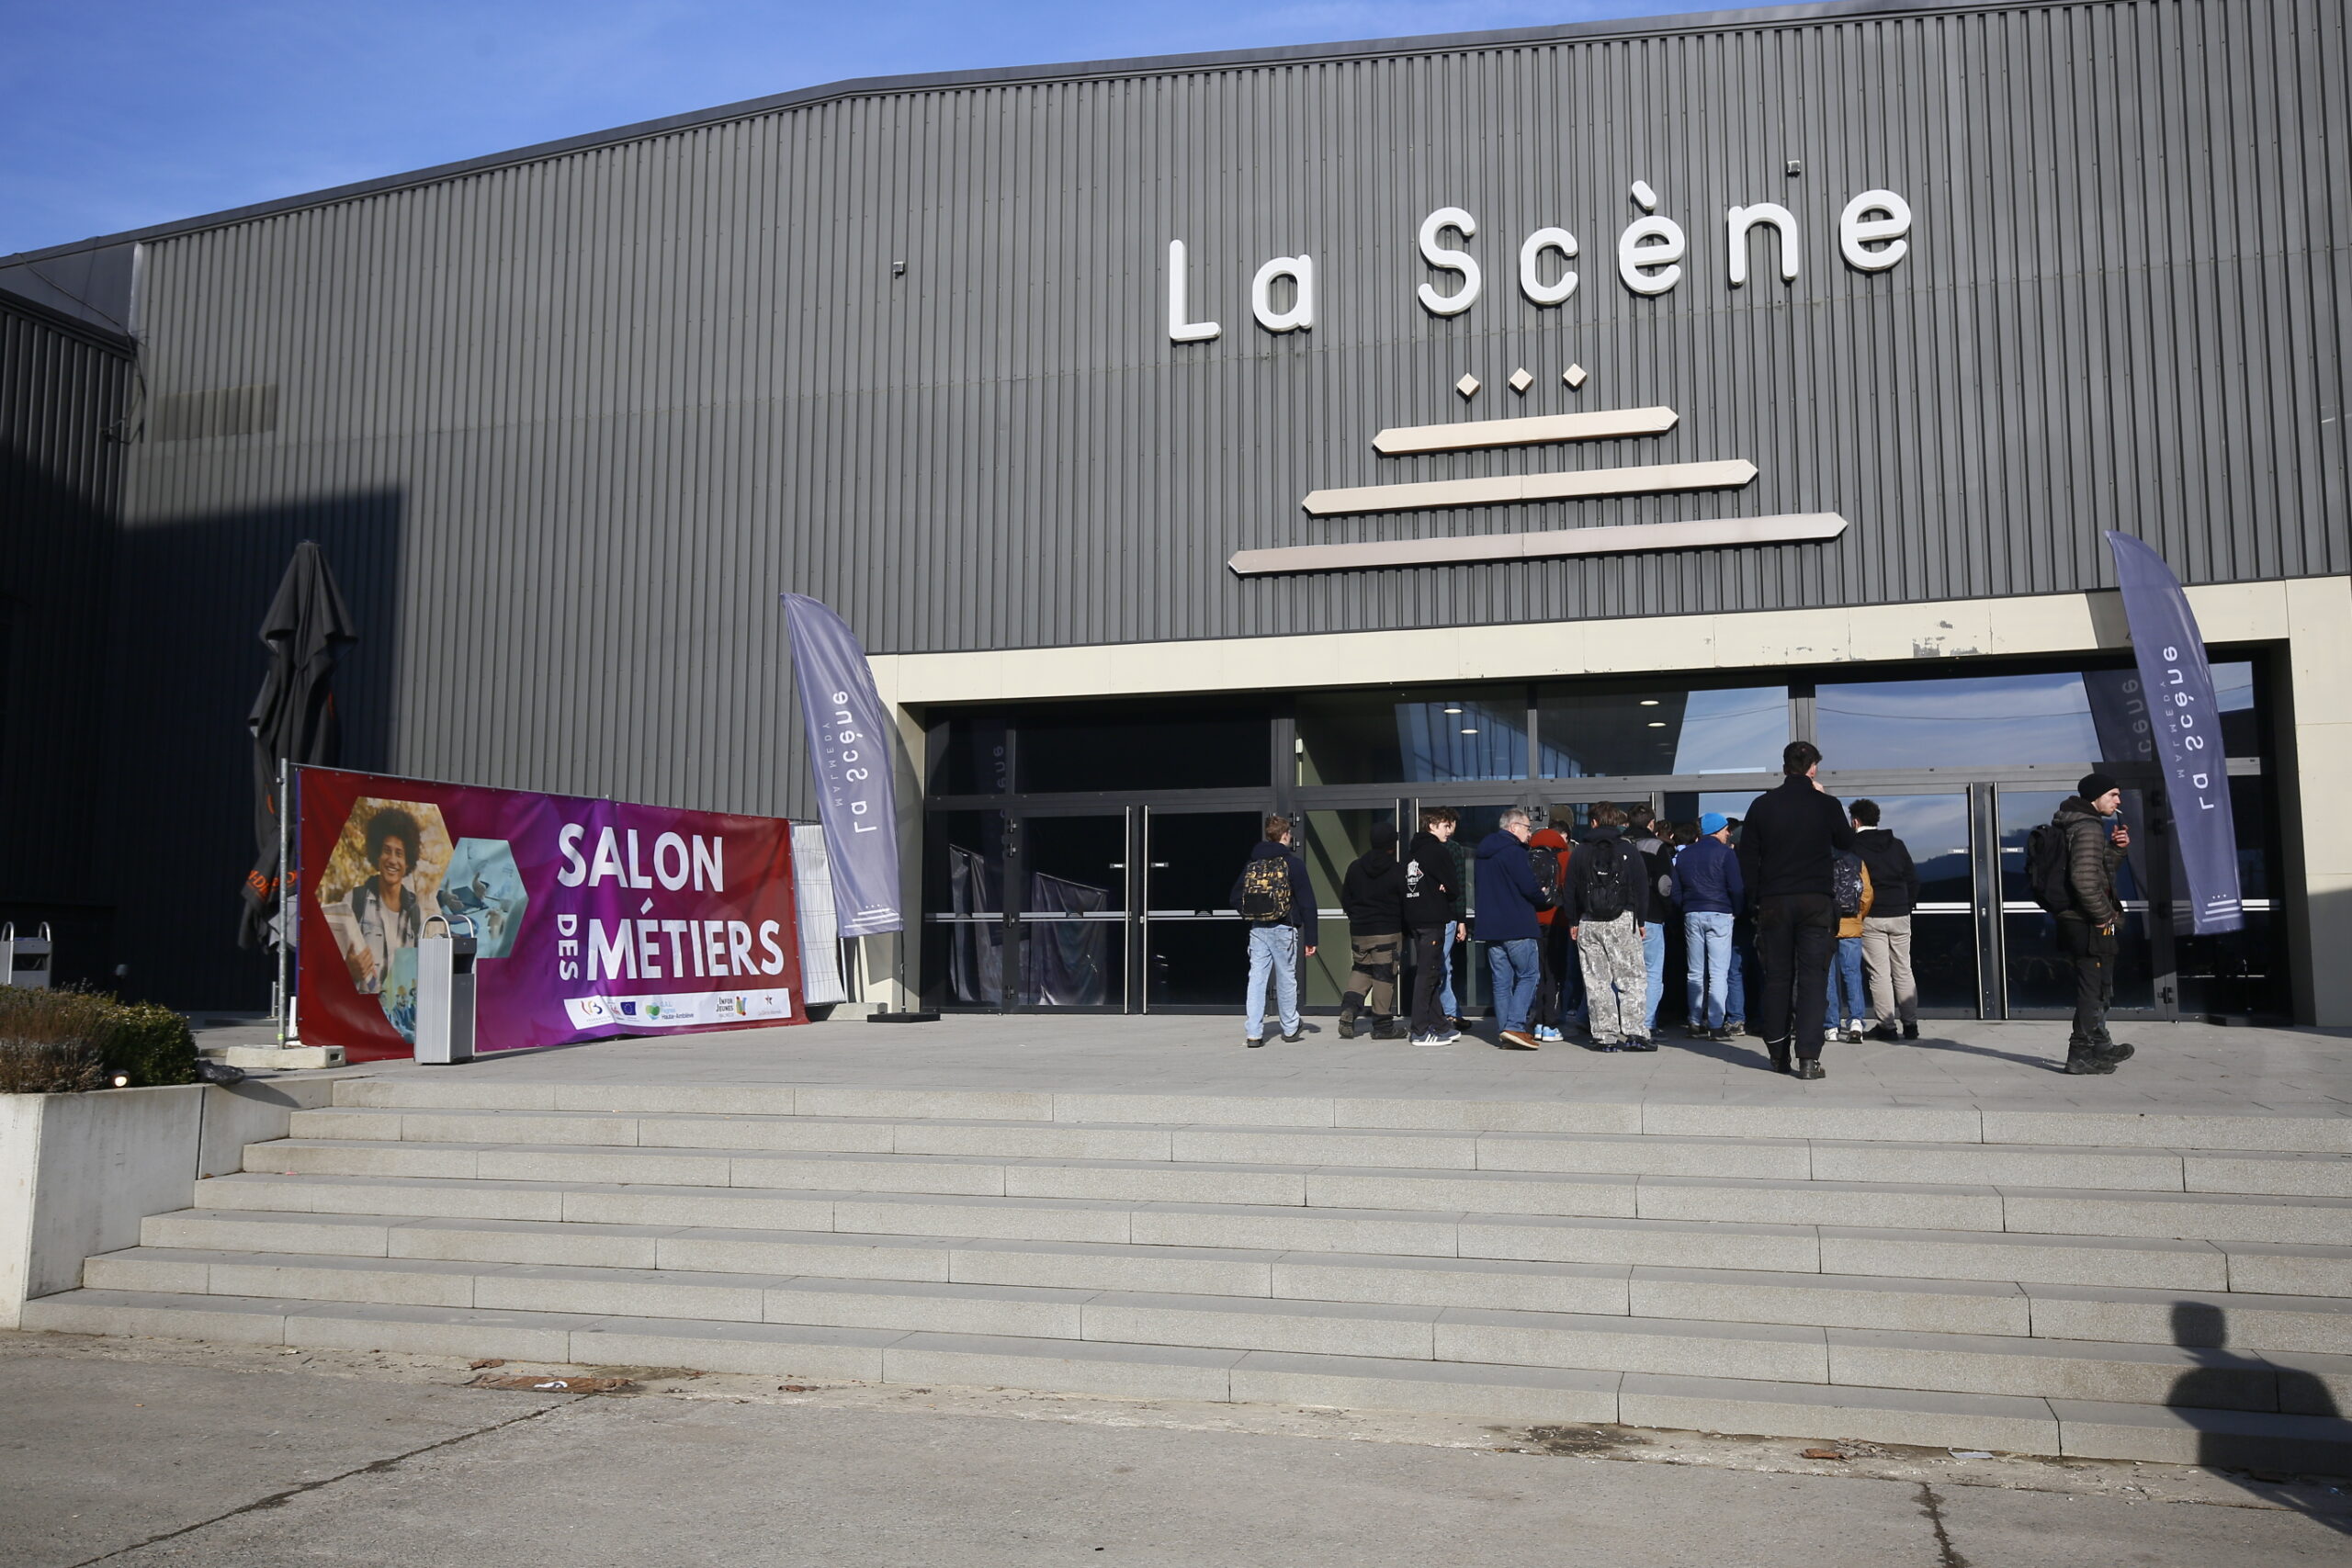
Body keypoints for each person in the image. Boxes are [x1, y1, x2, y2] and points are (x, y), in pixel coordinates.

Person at [1736, 741, 1856, 1079]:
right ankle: (1808, 1058)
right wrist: (1825, 799)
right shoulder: (1826, 804)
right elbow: (1847, 843)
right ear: (1813, 768)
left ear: (1784, 767)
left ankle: (1777, 1054)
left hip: (1774, 900)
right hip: (1815, 900)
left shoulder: (1762, 805)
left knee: (1777, 977)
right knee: (1813, 979)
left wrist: (1756, 898)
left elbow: (1748, 857)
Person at [2052, 774, 2138, 1076]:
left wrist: (2117, 849)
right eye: (2113, 794)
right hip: (2088, 921)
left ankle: (2100, 1045)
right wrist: (2105, 917)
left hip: (2082, 919)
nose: (2118, 801)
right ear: (2096, 795)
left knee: (2101, 985)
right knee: (2093, 988)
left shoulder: (2082, 824)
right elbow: (2084, 880)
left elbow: (2099, 872)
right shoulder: (2087, 827)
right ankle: (2079, 1054)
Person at [1562, 802, 1652, 1051]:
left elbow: (1570, 889)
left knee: (1597, 981)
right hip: (1623, 920)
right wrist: (1641, 920)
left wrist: (1572, 920)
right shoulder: (1628, 849)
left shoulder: (1581, 851)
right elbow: (1641, 887)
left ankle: (1605, 1036)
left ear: (1593, 822)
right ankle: (1635, 1033)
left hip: (1589, 921)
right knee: (1631, 979)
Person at [1231, 814, 1317, 1048]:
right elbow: (1308, 903)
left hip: (1258, 928)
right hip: (1284, 928)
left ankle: (1253, 1033)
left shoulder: (1253, 863)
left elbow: (1235, 897)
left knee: (1256, 979)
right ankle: (1290, 1027)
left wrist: (1252, 913)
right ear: (1285, 835)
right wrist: (1312, 938)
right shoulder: (1293, 864)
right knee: (1286, 978)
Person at [1849, 799, 1922, 1042]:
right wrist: (1906, 905)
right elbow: (1913, 879)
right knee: (1903, 968)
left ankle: (1887, 1027)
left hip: (1872, 915)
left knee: (1879, 973)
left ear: (1855, 821)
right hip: (1900, 913)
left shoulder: (1854, 846)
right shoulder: (1897, 845)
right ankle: (1911, 1025)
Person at [1475, 807, 1546, 1049]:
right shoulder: (1514, 852)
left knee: (1501, 982)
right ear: (1514, 827)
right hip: (1517, 925)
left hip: (1490, 928)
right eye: (1527, 828)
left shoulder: (1483, 853)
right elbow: (1529, 887)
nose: (1530, 833)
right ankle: (1514, 1027)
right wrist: (1543, 896)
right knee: (1529, 975)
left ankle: (1505, 1031)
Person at [1672, 812, 1744, 1042]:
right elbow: (1736, 887)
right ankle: (1715, 1025)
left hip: (1692, 913)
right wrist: (1736, 910)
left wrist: (1686, 906)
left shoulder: (1685, 854)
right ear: (1717, 830)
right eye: (1726, 830)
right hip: (1720, 912)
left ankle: (1694, 1022)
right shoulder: (1726, 853)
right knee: (1718, 973)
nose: (1728, 834)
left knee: (1695, 972)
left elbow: (1675, 890)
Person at [1336, 821, 1408, 1040]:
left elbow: (1346, 899)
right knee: (1384, 976)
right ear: (1392, 845)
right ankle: (1383, 1026)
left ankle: (1349, 1009)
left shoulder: (1355, 867)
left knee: (1361, 969)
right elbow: (1406, 902)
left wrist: (1357, 918)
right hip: (1387, 930)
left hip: (1360, 930)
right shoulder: (1397, 870)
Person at [1401, 807, 1464, 1046]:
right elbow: (1454, 887)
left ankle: (1440, 1024)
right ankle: (1420, 1030)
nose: (1449, 831)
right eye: (1445, 826)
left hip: (1415, 919)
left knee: (1430, 973)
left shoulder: (1411, 853)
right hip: (1432, 920)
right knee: (1427, 975)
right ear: (1432, 825)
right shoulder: (1438, 852)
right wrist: (1444, 889)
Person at [348, 807, 424, 993]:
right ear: (377, 854)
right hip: (361, 1007)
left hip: (399, 1008)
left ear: (407, 862)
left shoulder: (416, 913)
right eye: (386, 851)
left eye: (399, 853)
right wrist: (348, 968)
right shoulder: (355, 901)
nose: (392, 860)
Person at [1528, 807, 1577, 1043]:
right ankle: (1550, 1024)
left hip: (1532, 921)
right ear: (1563, 836)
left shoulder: (1528, 855)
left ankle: (1536, 1022)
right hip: (1557, 920)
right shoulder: (1565, 857)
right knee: (1554, 972)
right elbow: (1571, 890)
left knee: (1536, 974)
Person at [1629, 808, 1674, 1037]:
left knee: (1624, 972)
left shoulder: (1619, 844)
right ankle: (1646, 1023)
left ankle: (1624, 1020)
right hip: (1652, 915)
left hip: (1622, 915)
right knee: (1653, 972)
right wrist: (1668, 909)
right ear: (1651, 823)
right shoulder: (1656, 846)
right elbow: (1664, 884)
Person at [1823, 849, 1873, 1043]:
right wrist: (1858, 915)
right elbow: (1867, 894)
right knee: (1852, 974)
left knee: (1828, 977)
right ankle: (1856, 1022)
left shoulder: (1820, 858)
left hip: (1826, 926)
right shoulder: (1857, 861)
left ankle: (1831, 1026)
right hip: (1851, 925)